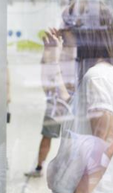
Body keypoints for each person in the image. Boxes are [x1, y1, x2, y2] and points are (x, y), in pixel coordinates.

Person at [45, 1, 113, 193]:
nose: (61, 31)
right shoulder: (98, 74)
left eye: (67, 25)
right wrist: (53, 58)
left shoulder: (98, 77)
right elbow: (64, 103)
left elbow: (106, 144)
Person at [25, 28, 77, 178]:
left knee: (70, 139)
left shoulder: (78, 54)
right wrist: (47, 51)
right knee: (47, 135)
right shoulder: (57, 51)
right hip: (56, 103)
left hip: (70, 103)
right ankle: (39, 167)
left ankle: (69, 170)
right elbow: (46, 71)